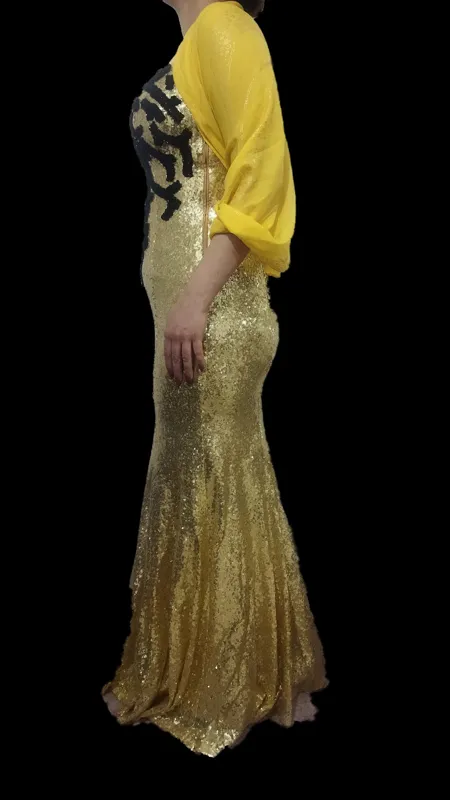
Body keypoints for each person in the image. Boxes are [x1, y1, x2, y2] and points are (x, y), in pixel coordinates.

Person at [102, 0, 328, 757]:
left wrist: (197, 296)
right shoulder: (199, 40)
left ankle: (218, 686)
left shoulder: (228, 27)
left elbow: (264, 173)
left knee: (206, 476)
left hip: (215, 310)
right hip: (187, 305)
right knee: (212, 474)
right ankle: (238, 670)